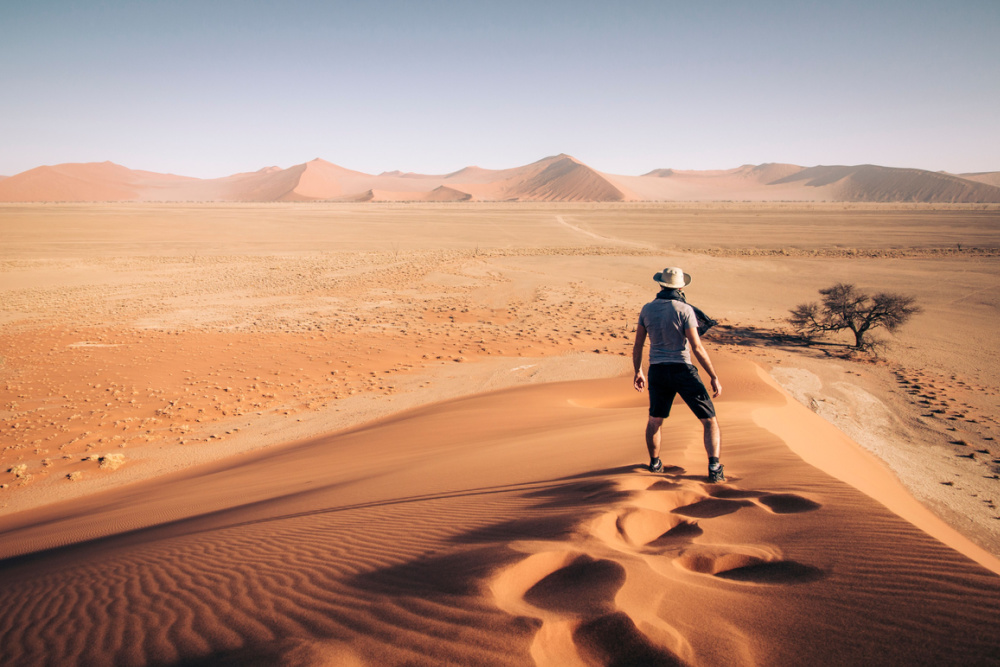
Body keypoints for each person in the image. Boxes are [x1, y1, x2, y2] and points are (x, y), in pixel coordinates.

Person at [632, 267, 724, 482]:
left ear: (661, 285)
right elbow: (697, 347)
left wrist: (638, 371)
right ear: (681, 286)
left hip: (657, 370)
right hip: (683, 369)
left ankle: (655, 464)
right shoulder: (684, 310)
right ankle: (714, 468)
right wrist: (713, 375)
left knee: (655, 420)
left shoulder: (647, 309)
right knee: (709, 420)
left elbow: (638, 345)